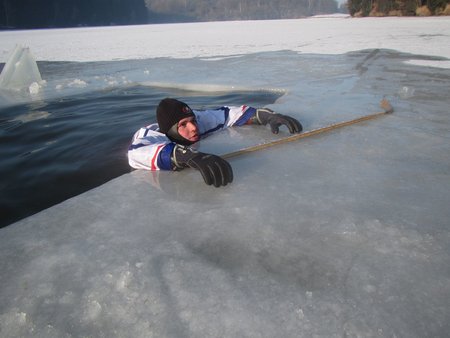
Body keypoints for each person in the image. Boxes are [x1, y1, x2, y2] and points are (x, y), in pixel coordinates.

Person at [128, 98, 302, 187]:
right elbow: (135, 153)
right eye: (183, 125)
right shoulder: (150, 135)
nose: (193, 128)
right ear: (170, 129)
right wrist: (184, 155)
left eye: (193, 120)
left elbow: (227, 114)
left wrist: (265, 116)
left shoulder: (197, 121)